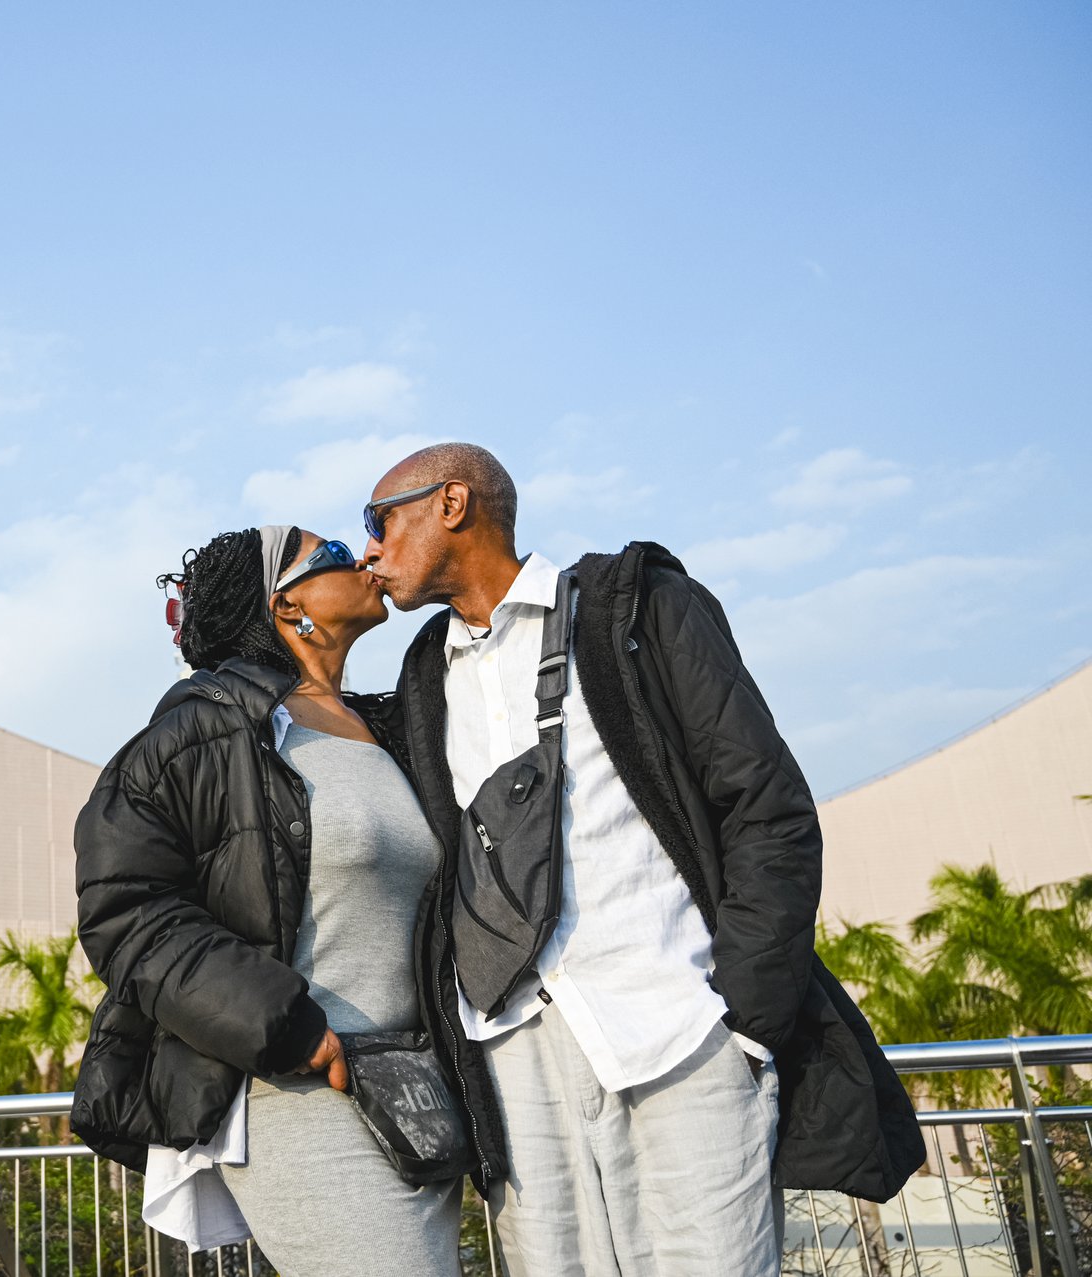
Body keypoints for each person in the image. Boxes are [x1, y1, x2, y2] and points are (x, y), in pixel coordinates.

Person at [361, 442, 923, 1276]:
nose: (370, 549)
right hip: (517, 1063)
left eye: (379, 520)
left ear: (452, 503)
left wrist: (745, 1026)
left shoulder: (633, 609)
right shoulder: (423, 677)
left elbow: (767, 807)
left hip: (680, 1033)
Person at [69, 526, 464, 1274]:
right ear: (288, 605)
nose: (365, 556)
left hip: (416, 1091)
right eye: (335, 552)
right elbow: (126, 910)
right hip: (300, 1090)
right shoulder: (204, 731)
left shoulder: (389, 731)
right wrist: (289, 1031)